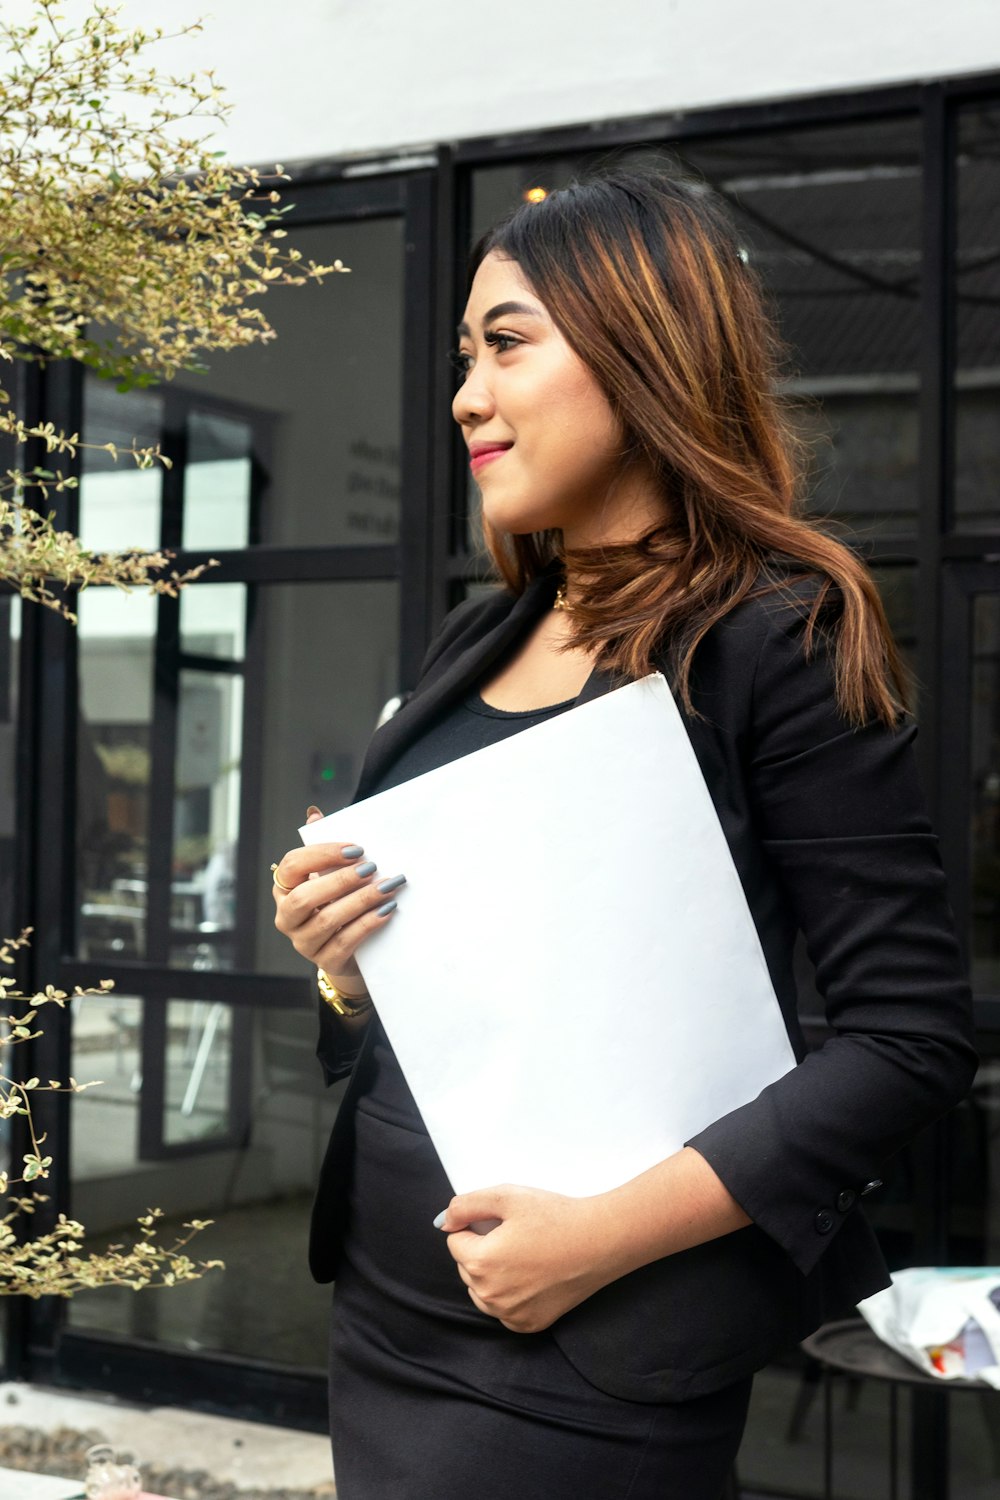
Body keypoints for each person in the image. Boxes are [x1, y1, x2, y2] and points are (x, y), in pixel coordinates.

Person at [271, 165, 978, 1500]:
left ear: (641, 350)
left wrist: (594, 1239)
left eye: (507, 344)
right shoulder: (481, 629)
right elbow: (469, 988)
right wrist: (346, 968)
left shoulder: (776, 635)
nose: (469, 393)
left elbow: (908, 1039)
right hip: (388, 1314)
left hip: (590, 1359)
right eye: (463, 356)